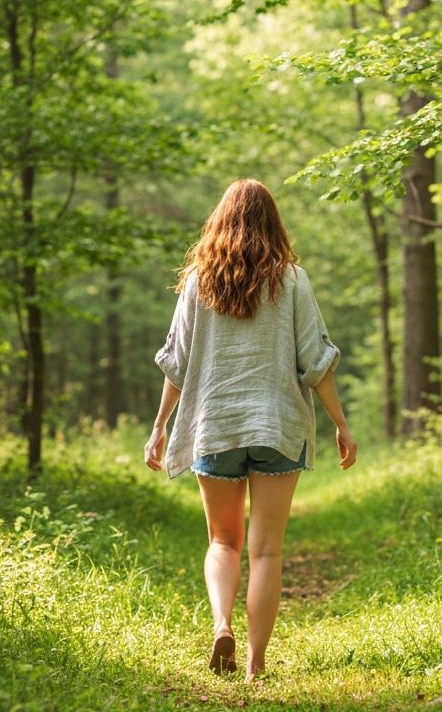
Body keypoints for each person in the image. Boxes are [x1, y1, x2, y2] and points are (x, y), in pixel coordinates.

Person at [143, 179, 357, 682]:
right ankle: (257, 667)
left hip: (214, 427)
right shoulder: (292, 281)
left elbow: (177, 364)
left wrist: (159, 428)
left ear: (219, 222)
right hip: (278, 427)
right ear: (273, 223)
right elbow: (317, 362)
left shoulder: (198, 282)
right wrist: (341, 425)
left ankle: (222, 625)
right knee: (267, 550)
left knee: (223, 542)